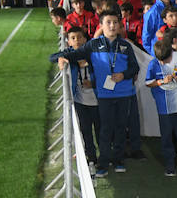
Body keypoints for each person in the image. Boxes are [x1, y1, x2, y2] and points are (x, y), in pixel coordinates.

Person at [52, 10, 138, 177]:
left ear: (119, 25)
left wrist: (123, 75)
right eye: (108, 22)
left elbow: (135, 67)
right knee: (105, 129)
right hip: (104, 95)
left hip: (124, 93)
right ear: (101, 25)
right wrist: (62, 58)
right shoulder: (93, 45)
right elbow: (74, 53)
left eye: (115, 22)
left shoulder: (126, 46)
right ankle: (103, 163)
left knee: (121, 127)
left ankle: (118, 160)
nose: (112, 26)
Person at [145, 32, 177, 177]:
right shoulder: (153, 64)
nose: (163, 63)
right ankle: (170, 165)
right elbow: (148, 83)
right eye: (160, 60)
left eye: (166, 60)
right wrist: (161, 82)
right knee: (166, 136)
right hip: (164, 106)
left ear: (171, 54)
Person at [61, 25, 100, 164]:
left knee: (101, 130)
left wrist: (93, 84)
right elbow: (52, 57)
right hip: (80, 101)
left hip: (97, 100)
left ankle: (105, 157)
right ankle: (91, 157)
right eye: (73, 38)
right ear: (69, 42)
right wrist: (62, 58)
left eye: (79, 37)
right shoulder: (70, 55)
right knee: (85, 130)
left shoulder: (94, 55)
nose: (76, 40)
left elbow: (105, 75)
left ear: (85, 39)